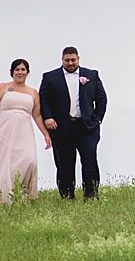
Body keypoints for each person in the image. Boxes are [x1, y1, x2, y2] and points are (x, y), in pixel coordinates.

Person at [38, 46, 108, 200]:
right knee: (64, 163)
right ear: (62, 60)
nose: (70, 63)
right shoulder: (50, 77)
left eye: (73, 60)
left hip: (87, 128)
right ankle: (67, 196)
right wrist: (48, 117)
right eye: (67, 60)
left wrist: (97, 119)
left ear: (78, 59)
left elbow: (101, 99)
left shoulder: (91, 75)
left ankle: (91, 196)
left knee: (90, 161)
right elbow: (43, 100)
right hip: (61, 127)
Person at [0, 59, 52, 203]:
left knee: (29, 160)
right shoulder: (3, 87)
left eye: (23, 69)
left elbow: (36, 115)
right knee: (5, 162)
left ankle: (22, 193)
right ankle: (2, 194)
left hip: (24, 131)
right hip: (5, 129)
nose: (20, 72)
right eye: (17, 69)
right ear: (12, 72)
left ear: (27, 72)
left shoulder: (33, 93)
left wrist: (46, 134)